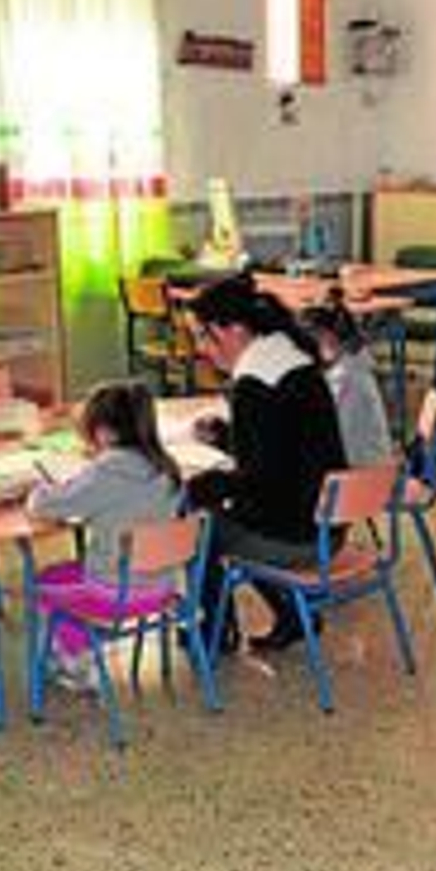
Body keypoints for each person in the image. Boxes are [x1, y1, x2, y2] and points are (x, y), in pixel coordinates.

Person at [186, 273, 348, 652]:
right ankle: (291, 613)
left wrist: (205, 484)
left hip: (297, 535)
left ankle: (211, 636)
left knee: (200, 526)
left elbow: (260, 483)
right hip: (329, 525)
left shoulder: (254, 383)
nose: (201, 350)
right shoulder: (293, 360)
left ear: (228, 331)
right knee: (223, 511)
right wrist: (228, 438)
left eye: (201, 337)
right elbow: (281, 448)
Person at [26, 382, 181, 690]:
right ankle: (79, 652)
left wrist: (38, 490)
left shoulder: (107, 472)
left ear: (107, 433)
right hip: (163, 587)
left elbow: (47, 507)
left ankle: (76, 663)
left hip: (117, 592)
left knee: (45, 582)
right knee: (69, 573)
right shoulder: (166, 467)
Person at [302, 294, 394, 468]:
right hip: (365, 473)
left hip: (359, 482)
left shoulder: (347, 381)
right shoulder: (353, 367)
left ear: (327, 337)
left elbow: (334, 446)